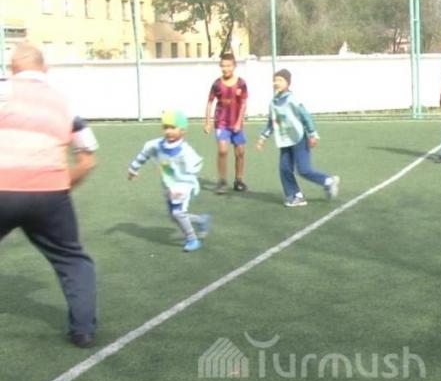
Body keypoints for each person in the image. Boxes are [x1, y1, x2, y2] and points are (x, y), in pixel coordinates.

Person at [0, 43, 99, 347]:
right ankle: (83, 330)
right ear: (45, 69)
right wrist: (59, 186)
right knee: (73, 260)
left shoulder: (3, 91)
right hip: (50, 193)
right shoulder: (65, 103)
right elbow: (88, 159)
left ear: (11, 69)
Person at [128, 110, 212, 252]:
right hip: (169, 185)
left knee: (177, 213)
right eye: (165, 127)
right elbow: (144, 154)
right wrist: (133, 169)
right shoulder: (156, 145)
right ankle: (201, 220)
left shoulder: (186, 150)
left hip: (184, 185)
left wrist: (188, 178)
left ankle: (192, 239)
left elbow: (196, 165)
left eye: (173, 128)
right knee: (174, 216)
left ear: (183, 130)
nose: (168, 131)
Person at [255, 69, 340, 207]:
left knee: (304, 169)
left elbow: (305, 116)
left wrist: (312, 134)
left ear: (288, 83)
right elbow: (272, 122)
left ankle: (328, 181)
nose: (277, 83)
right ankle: (296, 196)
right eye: (275, 80)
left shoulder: (292, 99)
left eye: (280, 80)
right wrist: (262, 138)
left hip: (298, 138)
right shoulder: (273, 102)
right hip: (284, 140)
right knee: (284, 169)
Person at [204, 52, 249, 194]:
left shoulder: (241, 83)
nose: (226, 69)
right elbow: (210, 103)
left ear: (234, 66)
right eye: (223, 66)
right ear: (220, 66)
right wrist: (207, 122)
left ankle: (238, 180)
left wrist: (239, 122)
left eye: (229, 66)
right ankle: (222, 181)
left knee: (240, 152)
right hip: (221, 122)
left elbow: (244, 103)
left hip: (236, 124)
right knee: (223, 151)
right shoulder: (217, 84)